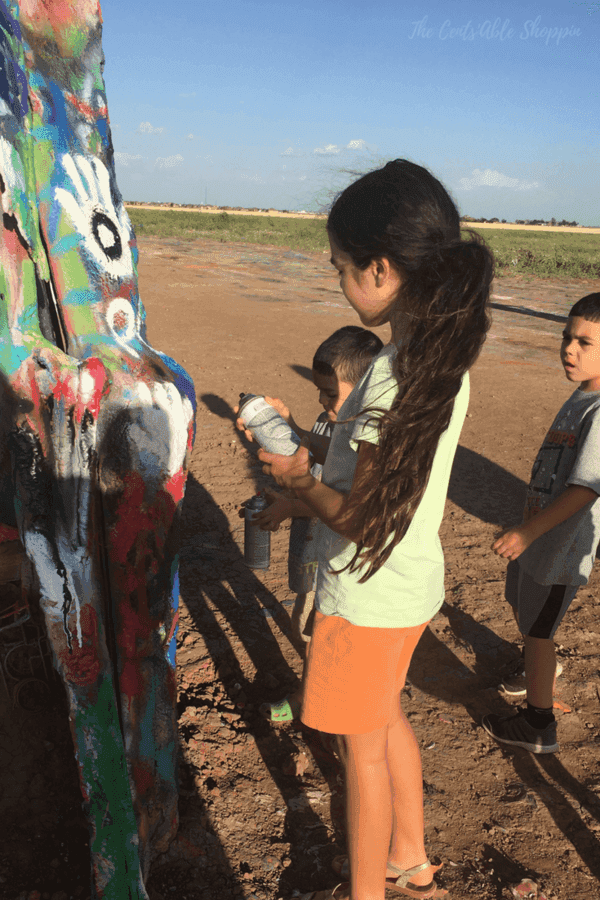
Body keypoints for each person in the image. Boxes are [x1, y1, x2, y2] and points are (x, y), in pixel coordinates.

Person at [237, 159, 493, 900]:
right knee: (384, 723)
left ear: (382, 268)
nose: (339, 282)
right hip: (409, 586)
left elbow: (364, 514)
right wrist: (310, 449)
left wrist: (298, 482)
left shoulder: (391, 373)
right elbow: (374, 473)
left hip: (367, 593)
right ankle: (408, 858)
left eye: (342, 268)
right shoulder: (436, 356)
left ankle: (368, 891)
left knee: (362, 756)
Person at [482, 292, 600, 755]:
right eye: (567, 338)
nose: (569, 349)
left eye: (585, 342)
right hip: (540, 538)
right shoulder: (583, 394)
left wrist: (529, 531)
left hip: (560, 548)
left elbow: (586, 487)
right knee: (525, 607)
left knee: (538, 629)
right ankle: (536, 666)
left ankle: (538, 723)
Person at [253, 326, 384, 723]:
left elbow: (343, 505)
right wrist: (287, 426)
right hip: (320, 550)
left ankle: (313, 698)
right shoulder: (333, 423)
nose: (325, 402)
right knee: (308, 628)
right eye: (320, 393)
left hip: (339, 563)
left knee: (317, 634)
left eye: (332, 393)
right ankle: (315, 694)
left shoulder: (370, 439)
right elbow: (312, 451)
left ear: (365, 389)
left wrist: (292, 504)